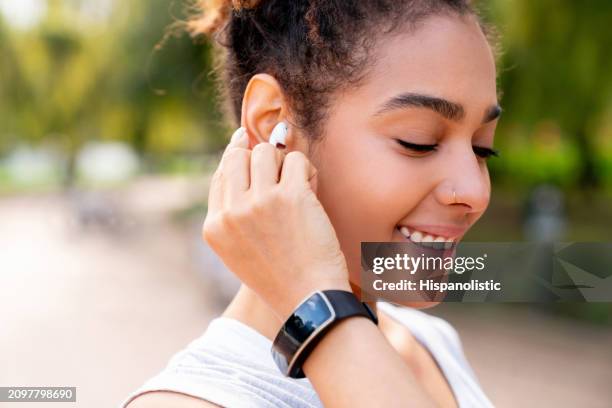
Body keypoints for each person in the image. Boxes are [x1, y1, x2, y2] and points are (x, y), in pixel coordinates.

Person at [122, 0, 501, 406]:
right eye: (419, 141)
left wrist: (317, 306)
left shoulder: (429, 343)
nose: (476, 193)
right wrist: (318, 308)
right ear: (273, 126)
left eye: (482, 148)